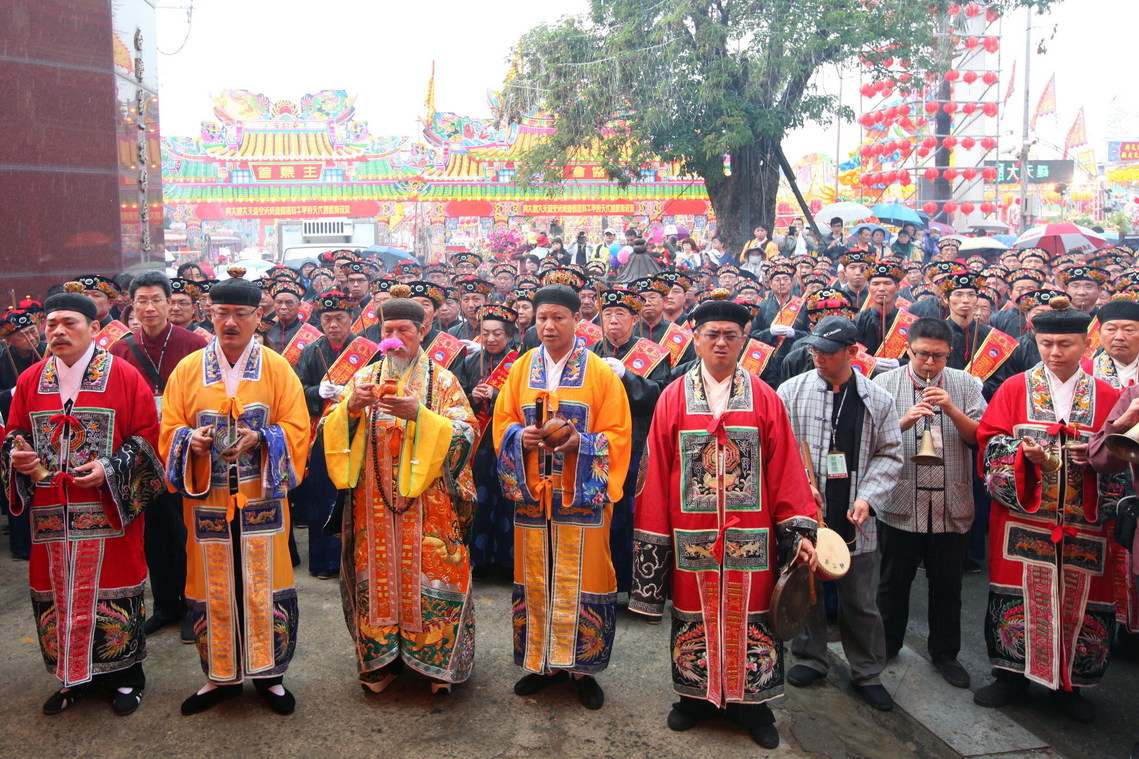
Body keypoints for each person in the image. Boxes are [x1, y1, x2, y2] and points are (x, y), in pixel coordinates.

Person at [630, 297, 817, 749]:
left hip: (751, 536)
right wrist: (655, 537)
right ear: (695, 339)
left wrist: (798, 531)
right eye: (711, 334)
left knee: (755, 616)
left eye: (730, 335)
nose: (720, 343)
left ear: (743, 341)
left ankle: (754, 706)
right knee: (692, 613)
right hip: (691, 534)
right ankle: (693, 699)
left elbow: (786, 469)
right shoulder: (674, 396)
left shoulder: (765, 397)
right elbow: (655, 473)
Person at [1, 286, 164, 715]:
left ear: (93, 327)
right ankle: (72, 676)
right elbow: (14, 432)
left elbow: (148, 438)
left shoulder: (124, 376)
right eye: (50, 324)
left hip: (107, 508)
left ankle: (126, 676)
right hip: (50, 511)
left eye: (68, 323)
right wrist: (17, 454)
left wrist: (109, 469)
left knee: (112, 588)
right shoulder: (30, 380)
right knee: (57, 592)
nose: (57, 331)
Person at [160, 271, 310, 716]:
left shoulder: (277, 368)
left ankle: (269, 675)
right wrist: (190, 440)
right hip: (207, 500)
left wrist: (262, 438)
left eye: (240, 314)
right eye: (221, 313)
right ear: (209, 314)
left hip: (260, 496)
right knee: (213, 586)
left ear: (258, 316)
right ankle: (219, 675)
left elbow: (298, 428)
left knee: (264, 583)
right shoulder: (188, 370)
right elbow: (168, 429)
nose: (230, 322)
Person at [973, 297, 1126, 722]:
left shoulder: (1108, 395)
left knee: (1082, 600)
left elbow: (1123, 459)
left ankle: (1070, 686)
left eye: (1065, 344)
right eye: (1046, 344)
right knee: (1016, 594)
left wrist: (1095, 457)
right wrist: (1023, 457)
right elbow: (989, 443)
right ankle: (1010, 677)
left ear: (1085, 344)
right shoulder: (1014, 388)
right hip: (1023, 521)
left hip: (1084, 523)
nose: (1055, 352)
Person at [323, 295, 478, 695]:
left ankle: (437, 666)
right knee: (375, 579)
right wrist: (350, 409)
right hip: (372, 504)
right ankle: (381, 663)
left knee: (432, 575)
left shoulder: (443, 381)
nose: (394, 338)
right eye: (387, 330)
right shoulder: (363, 378)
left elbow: (467, 432)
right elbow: (329, 429)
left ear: (422, 331)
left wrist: (420, 416)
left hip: (429, 503)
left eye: (403, 330)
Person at [492, 285, 632, 710]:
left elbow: (619, 435)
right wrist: (520, 436)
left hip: (581, 497)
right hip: (534, 495)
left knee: (586, 578)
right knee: (537, 577)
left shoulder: (600, 373)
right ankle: (542, 663)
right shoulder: (521, 368)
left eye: (558, 317)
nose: (549, 326)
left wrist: (580, 444)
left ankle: (583, 669)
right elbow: (503, 421)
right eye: (542, 318)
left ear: (577, 321)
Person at [777, 316, 903, 712]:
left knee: (860, 600)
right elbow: (777, 449)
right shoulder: (791, 391)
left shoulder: (877, 398)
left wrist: (869, 497)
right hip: (807, 514)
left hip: (854, 516)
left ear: (852, 352)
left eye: (828, 353)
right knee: (805, 591)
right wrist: (801, 486)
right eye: (815, 350)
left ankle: (867, 672)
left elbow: (890, 453)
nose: (819, 358)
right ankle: (810, 658)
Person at [872, 318, 986, 687]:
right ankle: (887, 645)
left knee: (948, 586)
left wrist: (952, 409)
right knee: (893, 581)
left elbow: (980, 438)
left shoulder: (966, 384)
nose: (930, 363)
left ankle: (945, 653)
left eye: (939, 356)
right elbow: (870, 442)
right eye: (922, 354)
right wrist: (904, 421)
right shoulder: (884, 384)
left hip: (951, 501)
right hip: (901, 500)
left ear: (950, 353)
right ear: (908, 349)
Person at [108, 271, 208, 643]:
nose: (149, 308)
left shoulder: (194, 344)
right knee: (152, 536)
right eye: (142, 301)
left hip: (185, 453)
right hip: (141, 456)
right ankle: (165, 605)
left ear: (169, 303)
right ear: (131, 306)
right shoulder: (120, 349)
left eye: (156, 300)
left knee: (185, 533)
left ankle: (193, 606)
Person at [590, 288, 668, 593]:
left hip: (635, 446)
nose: (613, 320)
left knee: (633, 515)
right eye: (607, 314)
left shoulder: (651, 354)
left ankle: (635, 587)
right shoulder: (588, 352)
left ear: (634, 319)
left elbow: (660, 395)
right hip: (595, 446)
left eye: (620, 314)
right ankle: (597, 581)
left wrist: (627, 376)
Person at [293, 289, 368, 580]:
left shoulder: (367, 350)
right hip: (323, 431)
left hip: (358, 429)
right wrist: (317, 391)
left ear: (351, 318)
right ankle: (325, 560)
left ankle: (360, 558)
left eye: (339, 318)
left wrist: (351, 396)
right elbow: (298, 388)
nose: (333, 324)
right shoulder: (311, 351)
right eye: (327, 319)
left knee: (358, 494)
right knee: (322, 493)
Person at [454, 304, 520, 579]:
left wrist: (496, 396)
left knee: (507, 497)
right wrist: (473, 396)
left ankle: (507, 562)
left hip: (505, 440)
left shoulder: (519, 362)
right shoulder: (470, 361)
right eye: (486, 333)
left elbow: (523, 401)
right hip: (478, 443)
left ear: (509, 335)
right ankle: (479, 559)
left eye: (497, 334)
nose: (491, 339)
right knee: (478, 497)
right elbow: (457, 396)